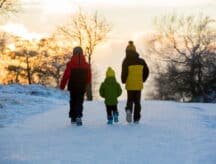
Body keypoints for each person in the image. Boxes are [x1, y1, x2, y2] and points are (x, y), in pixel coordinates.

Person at [60, 46, 91, 126]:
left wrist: (62, 86)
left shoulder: (70, 64)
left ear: (73, 53)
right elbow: (89, 76)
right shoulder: (86, 65)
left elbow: (66, 75)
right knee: (79, 102)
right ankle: (78, 116)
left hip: (73, 87)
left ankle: (73, 117)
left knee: (73, 101)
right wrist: (86, 83)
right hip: (81, 87)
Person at [121, 41, 149, 124]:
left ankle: (129, 110)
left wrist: (123, 80)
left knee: (130, 100)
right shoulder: (141, 61)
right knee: (137, 102)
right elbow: (147, 71)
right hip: (138, 85)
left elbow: (124, 72)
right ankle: (136, 118)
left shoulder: (126, 61)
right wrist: (143, 79)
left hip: (130, 85)